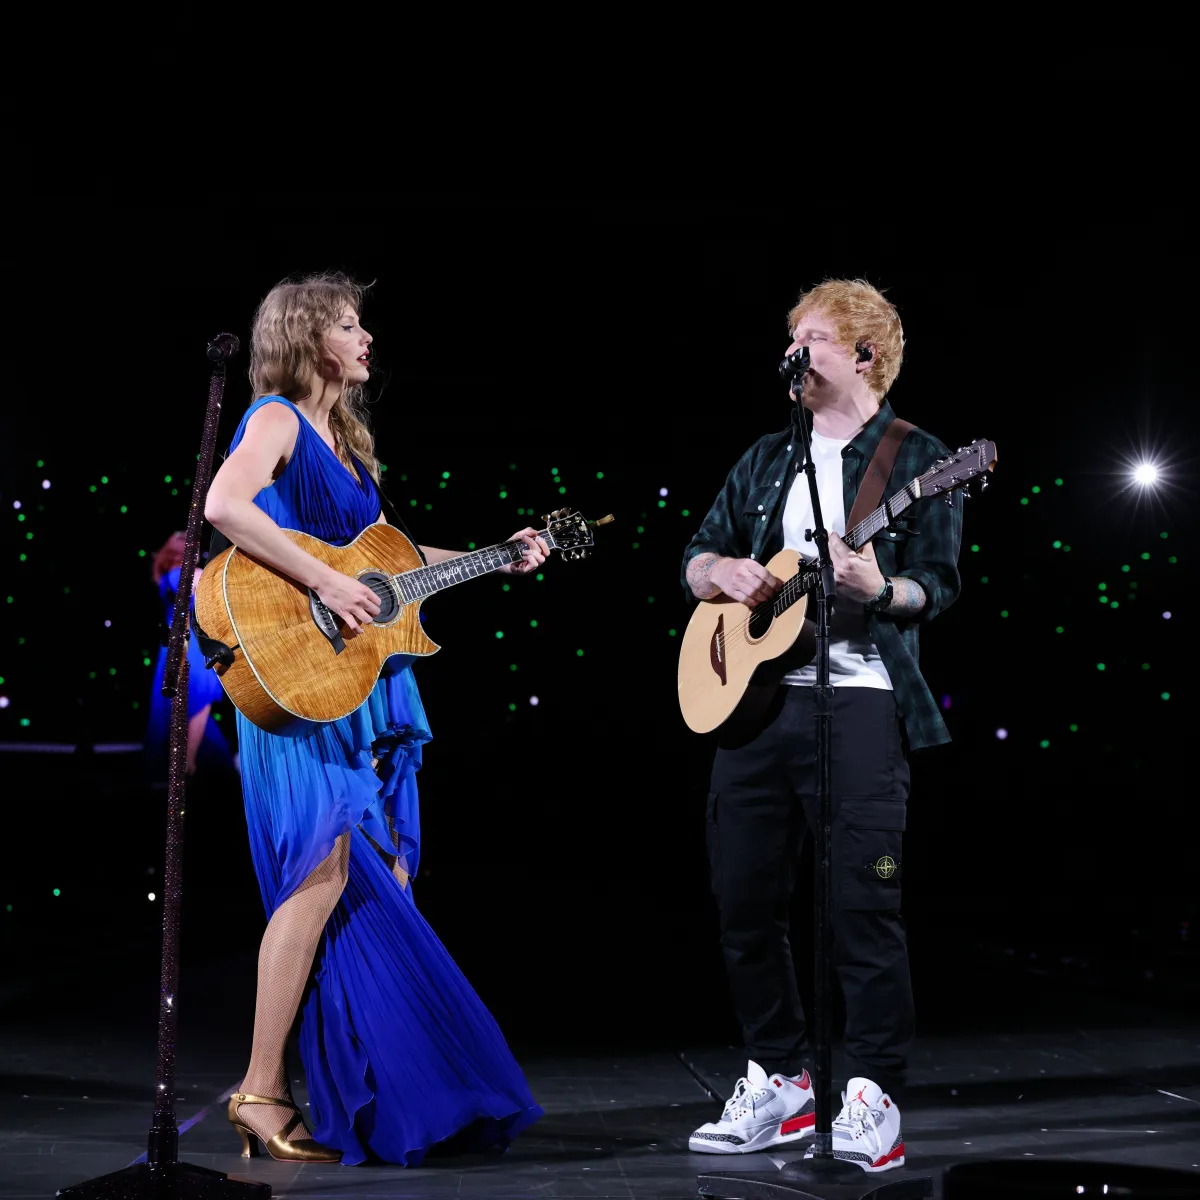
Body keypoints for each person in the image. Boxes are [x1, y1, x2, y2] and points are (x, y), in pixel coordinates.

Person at [203, 272, 545, 1166]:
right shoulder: (274, 418)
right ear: (311, 337)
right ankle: (260, 1089)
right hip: (293, 683)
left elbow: (387, 565)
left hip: (352, 685)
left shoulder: (351, 449)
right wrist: (321, 580)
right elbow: (223, 507)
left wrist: (495, 556)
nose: (365, 341)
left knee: (378, 876)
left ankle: (373, 1085)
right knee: (317, 876)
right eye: (350, 326)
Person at [680, 279, 963, 1173]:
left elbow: (937, 588)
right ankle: (781, 1080)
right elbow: (695, 556)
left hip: (864, 698)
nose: (793, 354)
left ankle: (871, 1090)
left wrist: (882, 589)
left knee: (861, 904)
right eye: (790, 339)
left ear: (864, 354)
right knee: (744, 902)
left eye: (811, 339)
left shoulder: (921, 459)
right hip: (756, 705)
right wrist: (722, 572)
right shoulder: (767, 457)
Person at [144, 532, 235, 780]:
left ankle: (192, 762)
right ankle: (188, 763)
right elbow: (203, 585)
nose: (193, 544)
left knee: (192, 701)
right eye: (185, 542)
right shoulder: (177, 575)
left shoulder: (175, 575)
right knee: (199, 695)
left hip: (184, 645)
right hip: (188, 647)